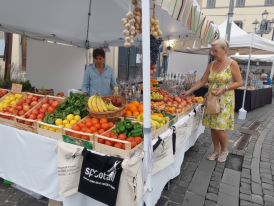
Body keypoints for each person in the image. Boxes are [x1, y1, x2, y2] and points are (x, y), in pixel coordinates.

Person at [182, 39, 243, 162]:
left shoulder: (232, 63)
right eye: (212, 51)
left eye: (216, 51)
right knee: (212, 127)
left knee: (219, 128)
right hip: (212, 99)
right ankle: (216, 150)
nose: (213, 53)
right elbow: (202, 81)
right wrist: (189, 91)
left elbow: (239, 82)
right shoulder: (211, 65)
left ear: (224, 49)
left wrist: (225, 87)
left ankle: (224, 150)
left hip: (225, 100)